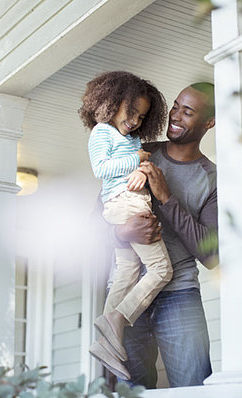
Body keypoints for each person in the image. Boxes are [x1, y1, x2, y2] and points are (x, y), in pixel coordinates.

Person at [107, 82, 219, 388]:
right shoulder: (138, 152)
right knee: (131, 392)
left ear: (209, 122)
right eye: (175, 105)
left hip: (179, 294)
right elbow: (94, 223)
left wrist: (167, 199)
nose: (176, 115)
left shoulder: (212, 179)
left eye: (188, 111)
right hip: (127, 290)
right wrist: (121, 233)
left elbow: (211, 255)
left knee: (194, 389)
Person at [79, 71, 173, 381]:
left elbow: (136, 166)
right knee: (161, 270)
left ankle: (107, 341)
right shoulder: (102, 133)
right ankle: (117, 318)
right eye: (130, 112)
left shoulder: (131, 139)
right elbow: (101, 169)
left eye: (142, 116)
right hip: (123, 204)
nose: (134, 121)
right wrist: (139, 160)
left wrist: (143, 168)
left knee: (127, 271)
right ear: (112, 103)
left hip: (132, 200)